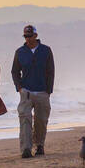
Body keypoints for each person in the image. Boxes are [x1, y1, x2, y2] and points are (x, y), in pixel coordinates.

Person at [11, 24, 54, 158]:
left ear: (35, 36)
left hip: (42, 92)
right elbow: (14, 71)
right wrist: (19, 88)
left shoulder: (46, 50)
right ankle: (26, 149)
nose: (28, 39)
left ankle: (39, 145)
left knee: (41, 121)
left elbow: (50, 71)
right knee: (25, 120)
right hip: (26, 92)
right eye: (26, 36)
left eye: (30, 36)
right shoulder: (20, 52)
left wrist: (49, 90)